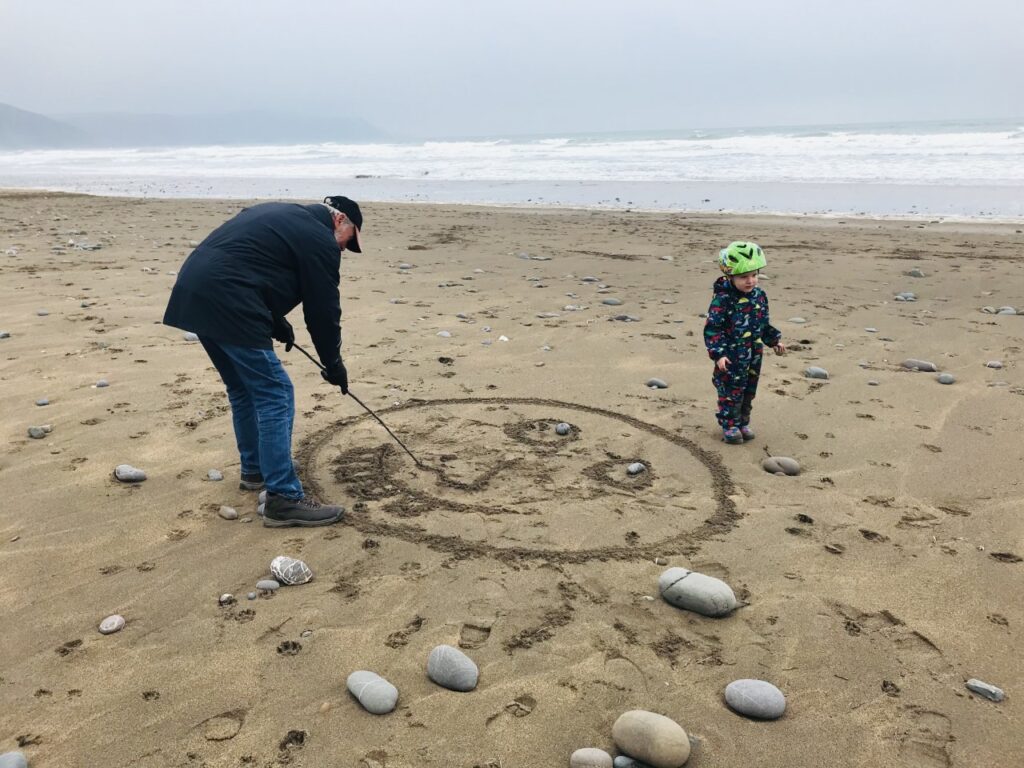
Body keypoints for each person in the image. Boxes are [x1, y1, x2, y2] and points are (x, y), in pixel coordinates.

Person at [163, 195, 363, 526]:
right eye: (349, 241)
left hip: (195, 289)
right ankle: (283, 498)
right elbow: (323, 310)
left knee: (242, 387)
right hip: (229, 297)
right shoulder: (319, 239)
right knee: (276, 393)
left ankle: (255, 470)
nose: (344, 250)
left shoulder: (283, 215)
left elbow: (253, 262)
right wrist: (334, 363)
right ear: (340, 220)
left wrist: (274, 322)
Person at [703, 241, 785, 444]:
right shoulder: (723, 299)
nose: (750, 281)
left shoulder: (759, 296)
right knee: (731, 391)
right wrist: (719, 354)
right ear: (730, 276)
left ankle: (742, 422)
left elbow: (762, 323)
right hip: (731, 357)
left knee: (749, 389)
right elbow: (713, 329)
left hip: (753, 354)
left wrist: (774, 340)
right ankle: (729, 425)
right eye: (743, 277)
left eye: (754, 275)